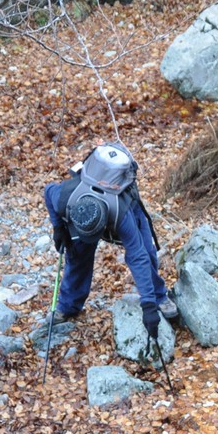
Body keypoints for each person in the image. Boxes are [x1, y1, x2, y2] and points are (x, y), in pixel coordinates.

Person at [43, 141, 177, 338]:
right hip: (84, 210)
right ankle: (68, 306)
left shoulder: (122, 216)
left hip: (125, 200)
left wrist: (147, 304)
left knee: (146, 253)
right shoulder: (65, 197)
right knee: (77, 252)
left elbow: (137, 256)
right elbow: (47, 191)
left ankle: (158, 296)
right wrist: (58, 228)